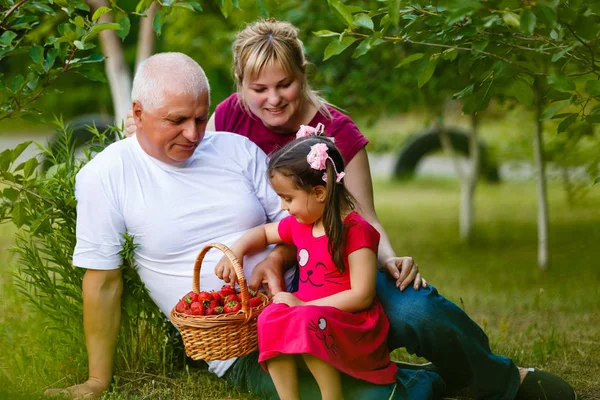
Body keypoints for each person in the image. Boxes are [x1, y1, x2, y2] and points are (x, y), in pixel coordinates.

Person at [121, 19, 576, 400]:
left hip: (340, 260)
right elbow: (182, 143)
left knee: (415, 311)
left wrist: (389, 258)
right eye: (258, 88)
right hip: (283, 269)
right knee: (304, 347)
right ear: (240, 86)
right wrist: (136, 128)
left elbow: (365, 218)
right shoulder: (227, 116)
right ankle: (417, 384)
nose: (273, 99)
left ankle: (500, 380)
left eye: (285, 84)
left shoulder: (336, 131)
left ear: (304, 74)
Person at [43, 52, 426, 400]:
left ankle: (481, 374)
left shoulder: (235, 149)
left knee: (419, 311)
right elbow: (103, 281)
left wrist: (276, 260)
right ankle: (422, 382)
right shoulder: (106, 176)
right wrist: (97, 381)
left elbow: (296, 225)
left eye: (199, 118)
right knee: (365, 396)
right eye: (177, 121)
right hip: (242, 344)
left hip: (318, 288)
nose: (194, 134)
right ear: (138, 114)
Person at [215, 134, 398, 400]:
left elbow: (362, 296)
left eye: (288, 199)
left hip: (349, 322)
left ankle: (331, 396)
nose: (283, 207)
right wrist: (237, 249)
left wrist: (303, 307)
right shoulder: (302, 224)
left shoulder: (356, 231)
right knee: (269, 317)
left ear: (320, 192)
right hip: (310, 316)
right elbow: (265, 233)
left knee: (305, 320)